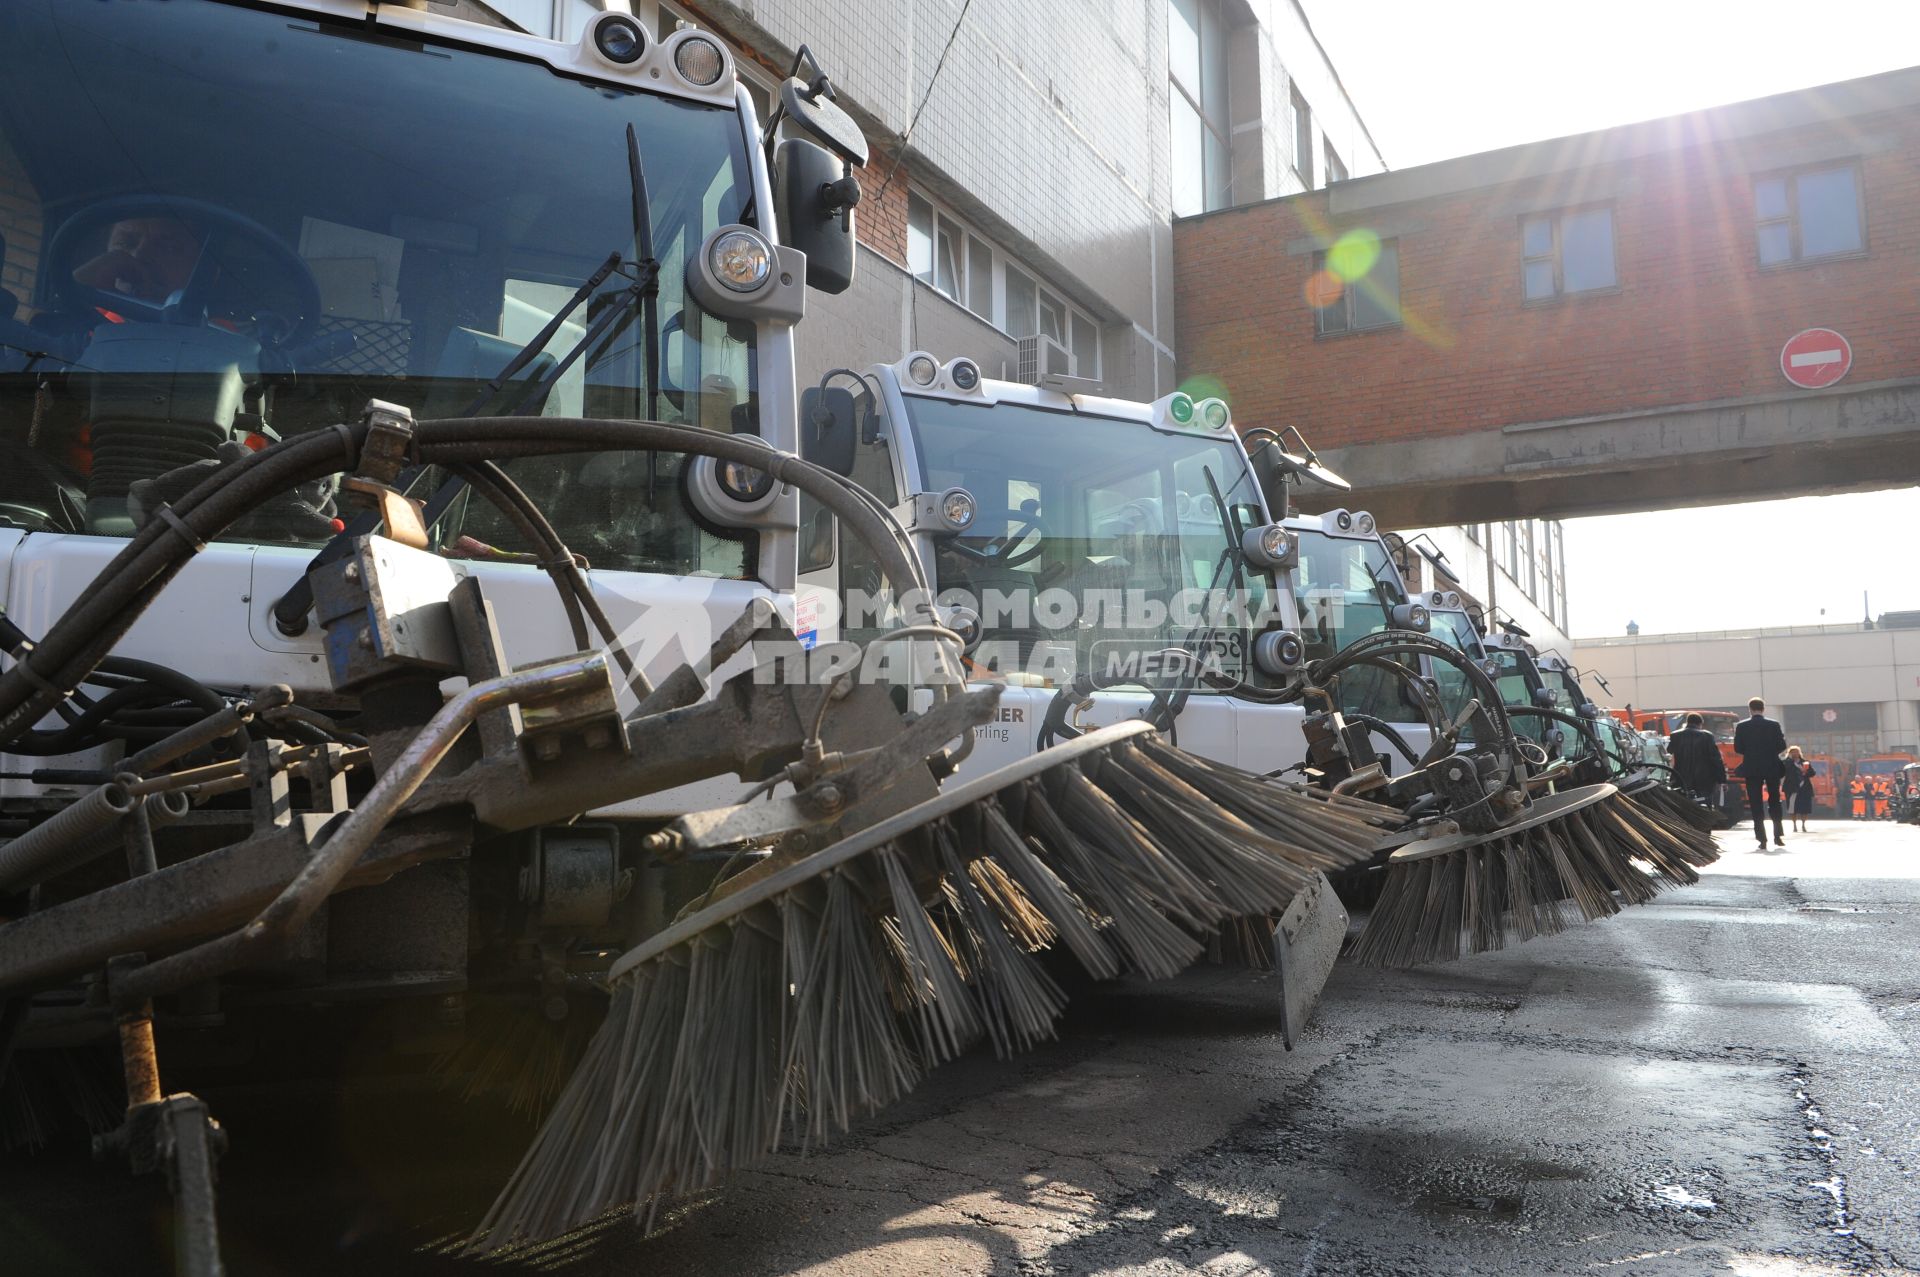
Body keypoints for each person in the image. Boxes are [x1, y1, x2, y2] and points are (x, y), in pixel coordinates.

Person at [1732, 696, 1788, 848]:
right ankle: (1777, 836)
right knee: (1775, 801)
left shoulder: (1742, 726)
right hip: (1771, 766)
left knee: (1756, 803)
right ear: (1763, 709)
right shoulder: (1774, 725)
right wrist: (1769, 752)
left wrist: (1751, 753)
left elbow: (1738, 748)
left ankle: (1762, 839)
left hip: (1752, 767)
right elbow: (1782, 745)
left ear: (1749, 709)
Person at [1666, 712, 1726, 804]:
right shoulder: (1707, 736)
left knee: (1682, 804)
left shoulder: (1675, 735)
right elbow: (1716, 760)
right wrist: (1722, 780)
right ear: (1700, 723)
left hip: (1681, 778)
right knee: (1705, 804)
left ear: (1687, 722)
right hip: (1704, 780)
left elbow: (1669, 750)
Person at [1782, 746, 1814, 834]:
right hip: (1792, 788)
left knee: (1804, 808)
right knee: (1792, 808)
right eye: (1793, 752)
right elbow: (1782, 772)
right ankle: (1794, 825)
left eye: (1797, 752)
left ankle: (1803, 825)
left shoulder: (1805, 762)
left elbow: (1812, 773)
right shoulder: (1786, 762)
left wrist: (1806, 772)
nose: (1795, 754)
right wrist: (1789, 761)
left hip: (1804, 788)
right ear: (1789, 753)